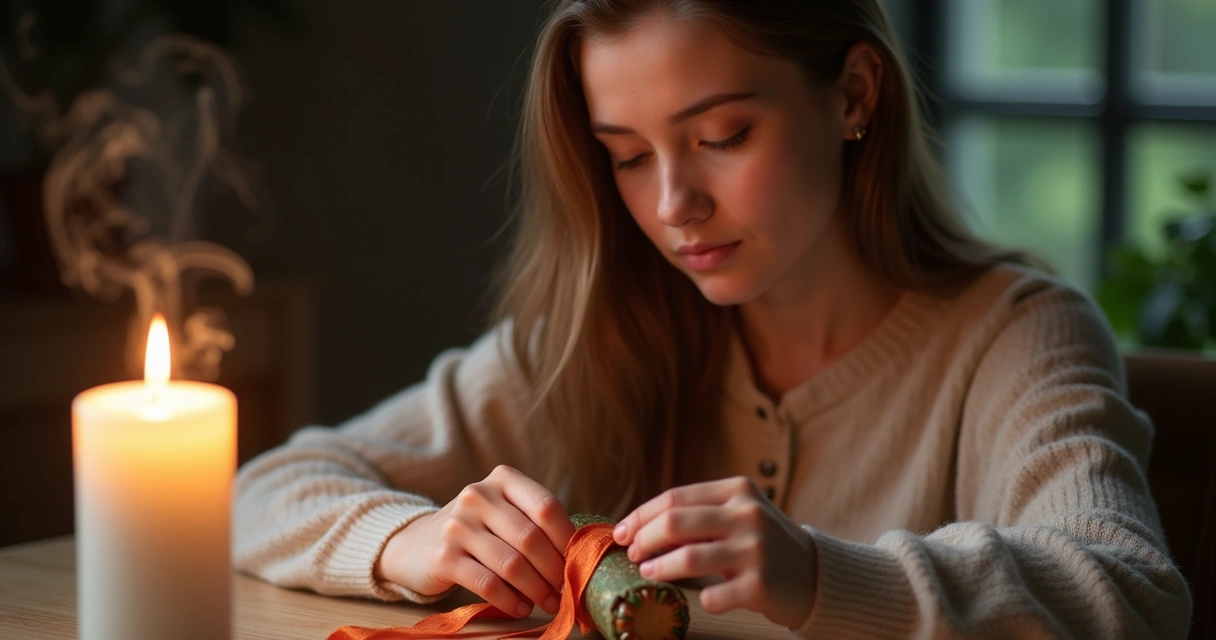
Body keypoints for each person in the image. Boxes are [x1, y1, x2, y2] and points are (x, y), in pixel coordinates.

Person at [233, 0, 1193, 636]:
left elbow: (1134, 593)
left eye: (721, 136)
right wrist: (412, 544)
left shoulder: (1017, 336)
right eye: (627, 154)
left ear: (855, 95)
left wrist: (822, 574)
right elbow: (264, 491)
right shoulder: (601, 329)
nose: (671, 204)